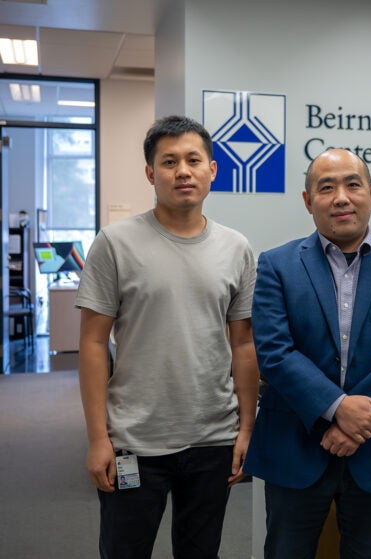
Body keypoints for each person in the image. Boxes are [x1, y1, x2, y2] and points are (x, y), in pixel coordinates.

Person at [77, 115, 259, 559]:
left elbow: (243, 345)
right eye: (169, 161)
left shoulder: (237, 248)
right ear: (150, 173)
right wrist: (98, 437)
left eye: (194, 160)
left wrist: (246, 429)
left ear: (212, 170)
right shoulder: (115, 244)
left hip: (212, 437)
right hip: (134, 439)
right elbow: (93, 344)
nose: (183, 171)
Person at [244, 148, 371, 559]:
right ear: (308, 201)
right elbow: (274, 351)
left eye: (352, 184)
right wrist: (337, 407)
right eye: (326, 188)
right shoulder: (276, 264)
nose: (341, 198)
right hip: (295, 443)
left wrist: (355, 420)